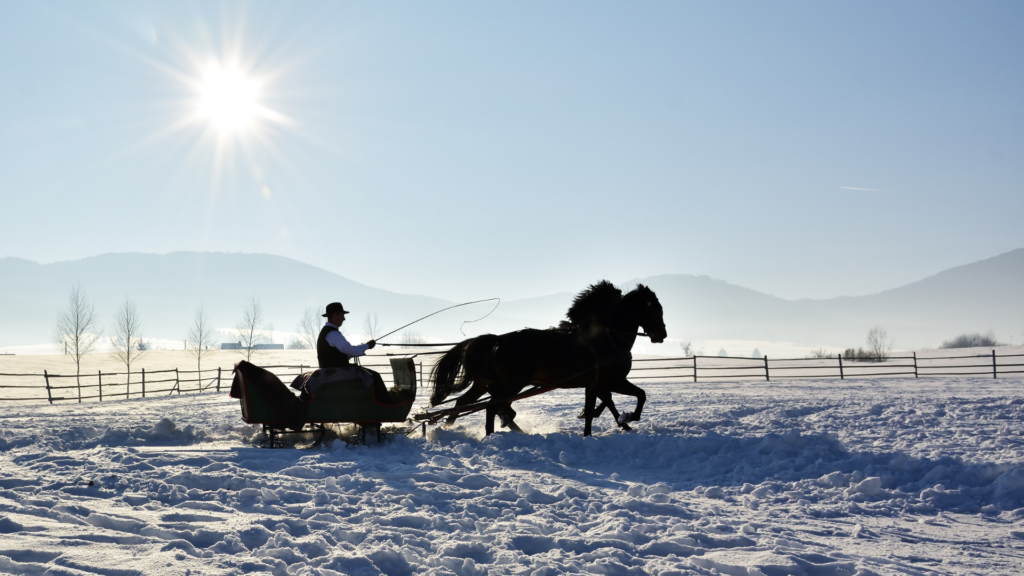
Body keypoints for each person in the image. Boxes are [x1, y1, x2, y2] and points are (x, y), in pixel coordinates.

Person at [318, 302, 376, 368]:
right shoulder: (332, 334)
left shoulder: (328, 332)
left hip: (331, 370)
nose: (344, 319)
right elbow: (349, 350)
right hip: (336, 371)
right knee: (375, 376)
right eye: (342, 315)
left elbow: (342, 353)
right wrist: (367, 346)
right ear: (334, 316)